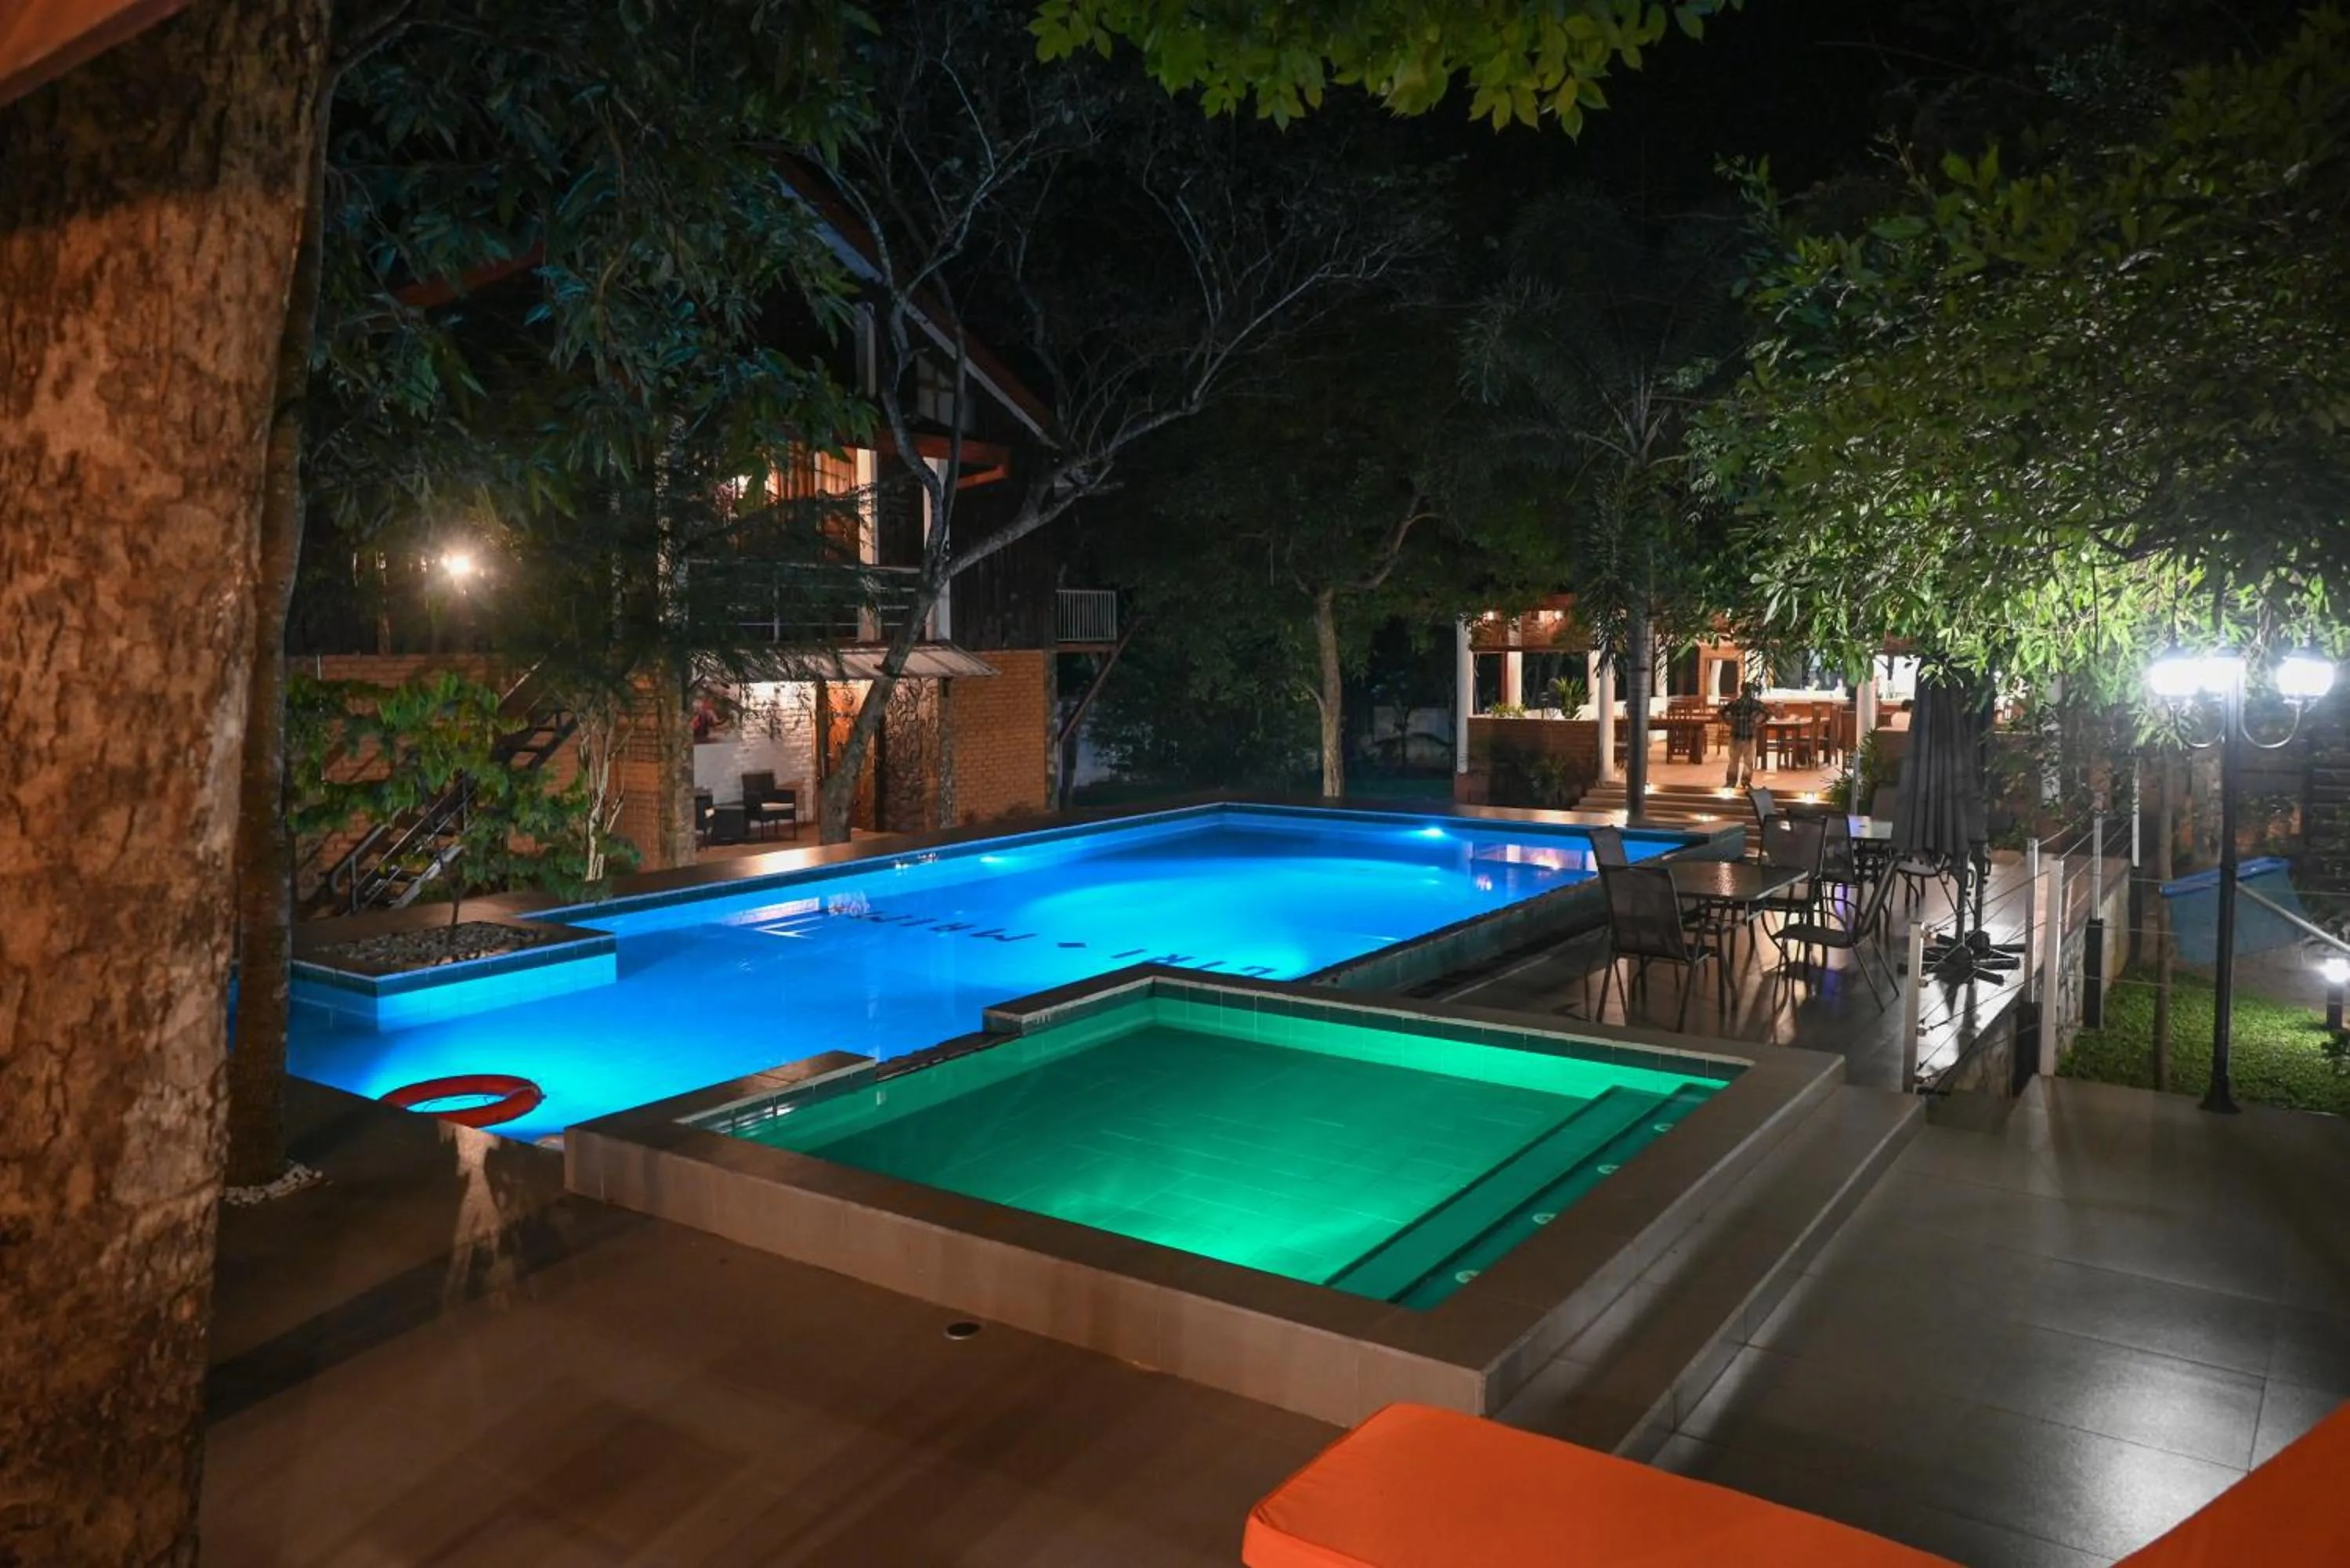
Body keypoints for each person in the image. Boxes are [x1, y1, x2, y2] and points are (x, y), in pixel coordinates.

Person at [1719, 679, 1771, 789]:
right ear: (1752, 692)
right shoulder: (1756, 704)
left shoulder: (1735, 703)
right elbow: (1768, 713)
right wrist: (1758, 723)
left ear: (1741, 690)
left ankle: (1731, 782)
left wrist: (1728, 721)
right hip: (1749, 736)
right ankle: (1745, 782)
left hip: (1735, 736)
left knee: (1733, 760)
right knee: (1748, 761)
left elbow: (1721, 711)